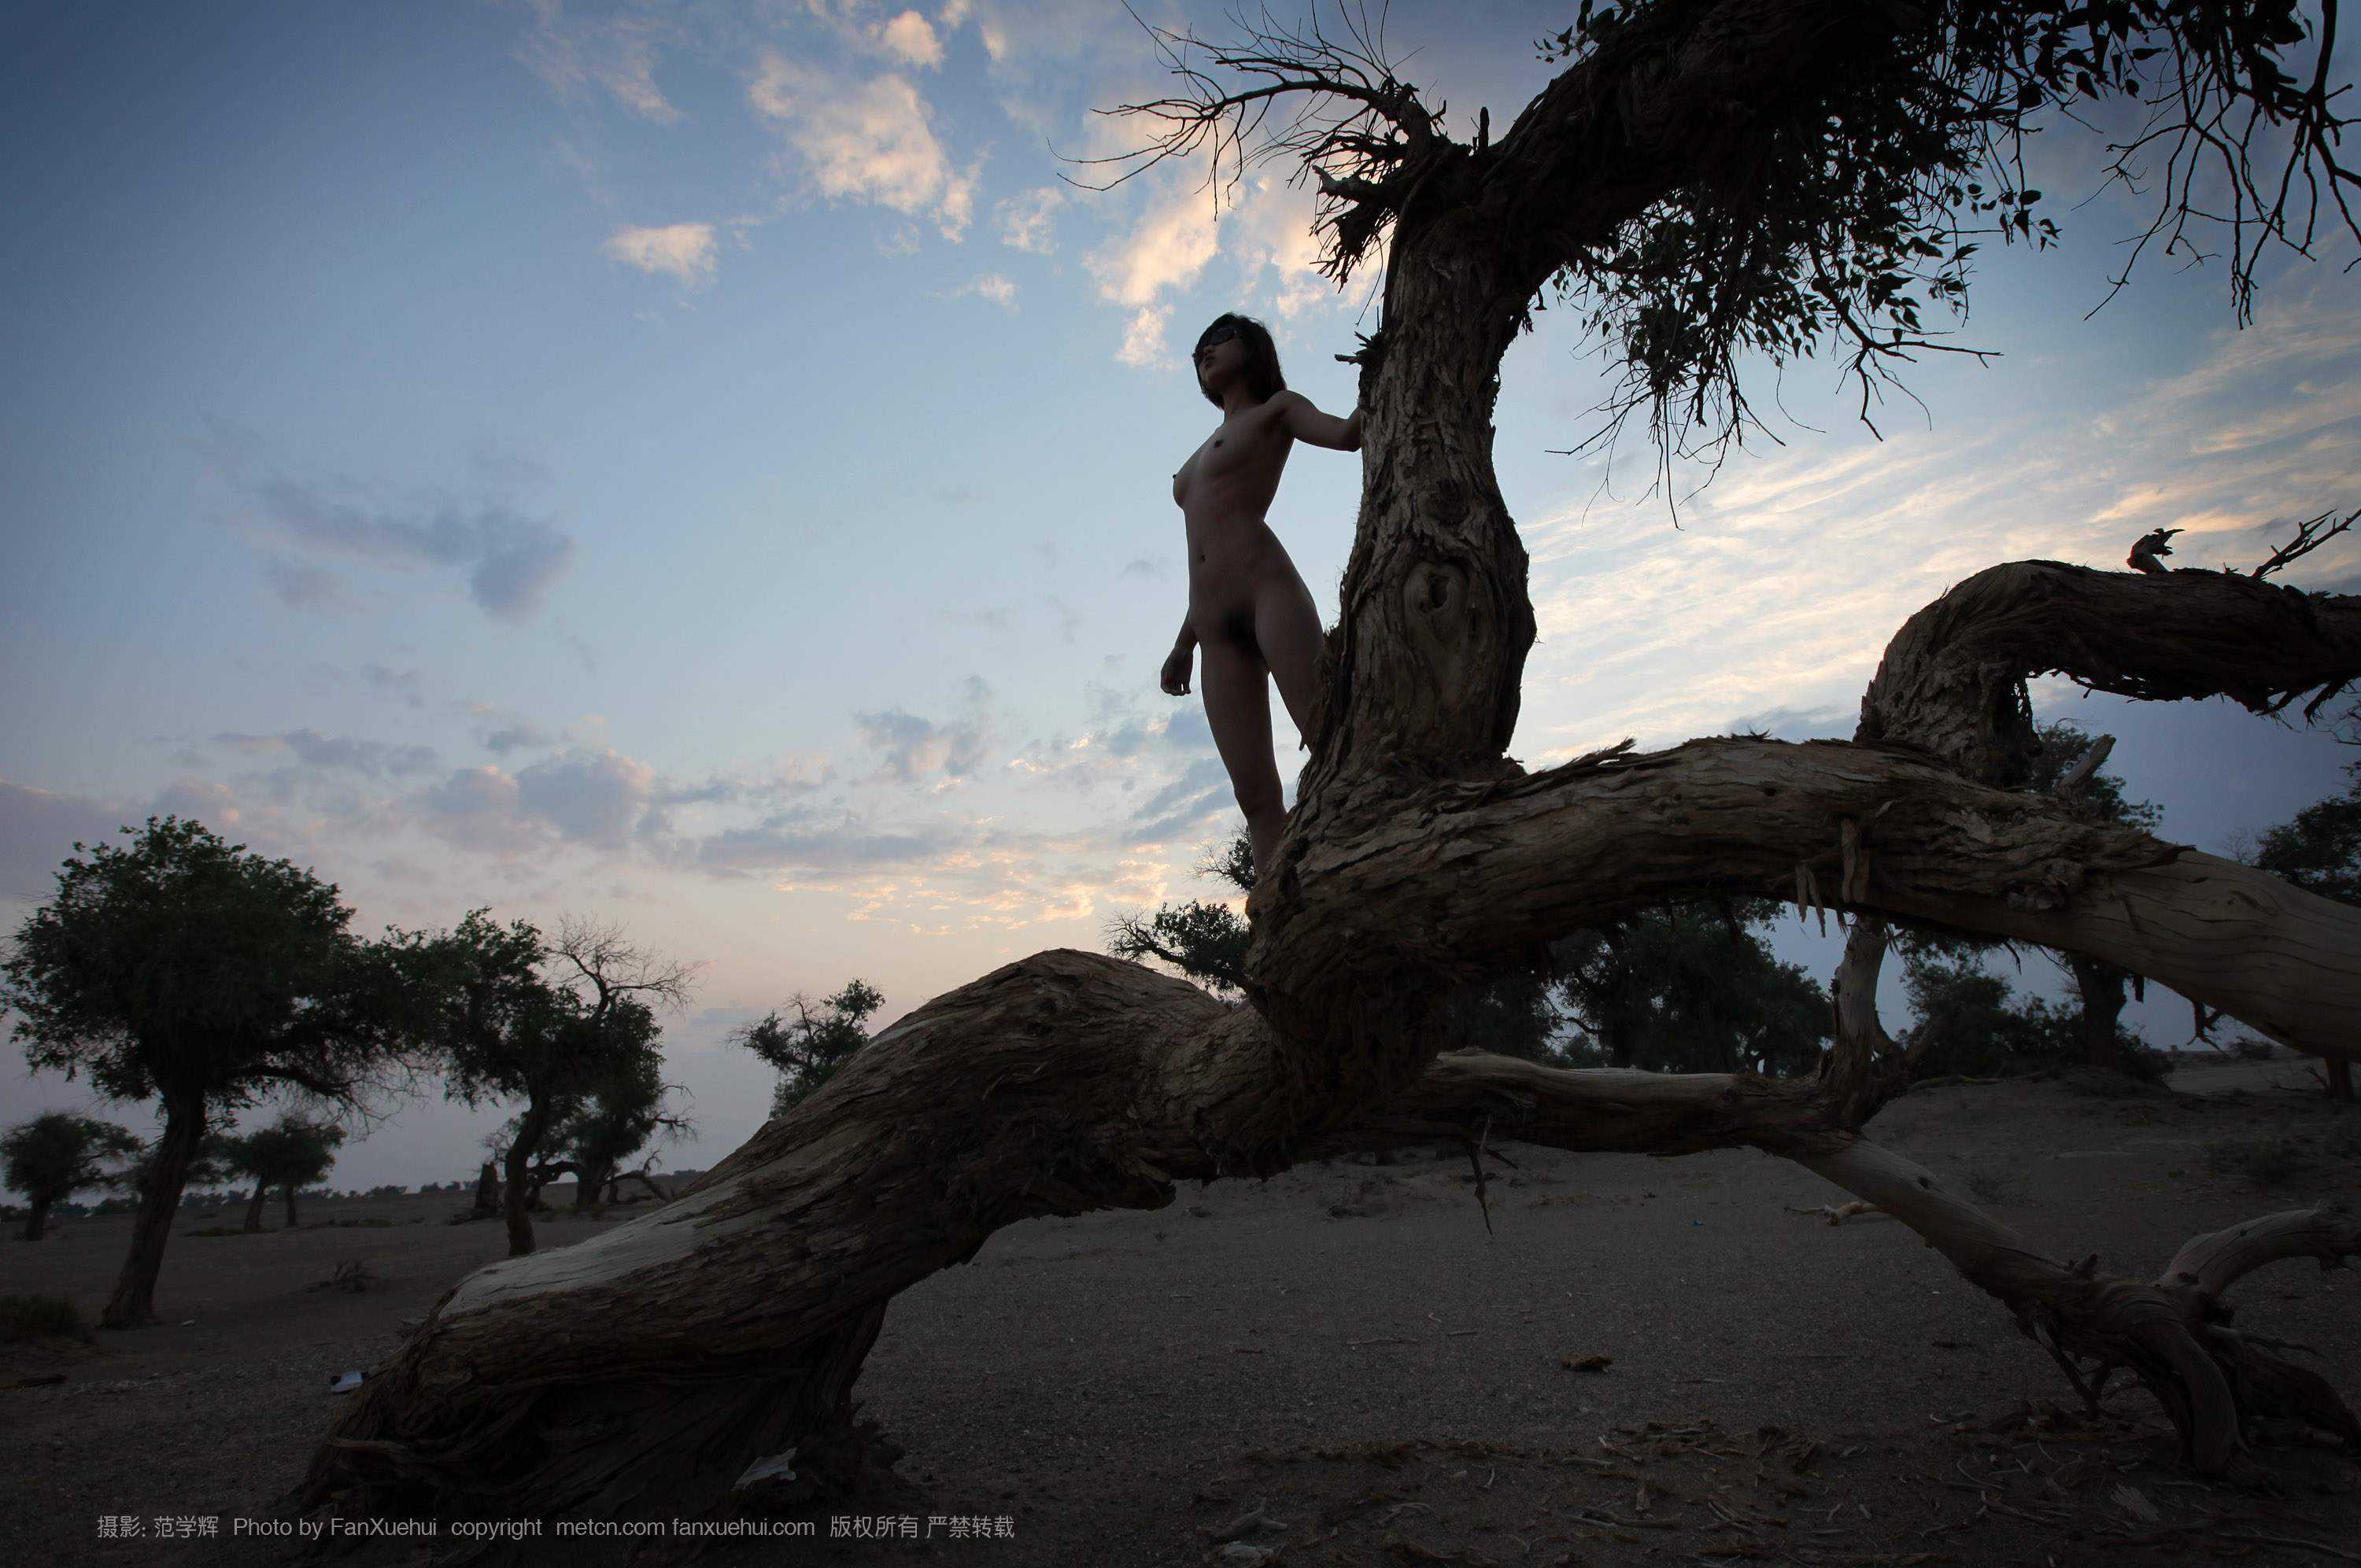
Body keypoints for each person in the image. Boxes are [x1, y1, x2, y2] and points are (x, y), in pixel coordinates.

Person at [1159, 313, 1362, 883]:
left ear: (1251, 348)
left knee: (1329, 734)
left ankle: (1365, 857)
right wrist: (1183, 645)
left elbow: (1347, 435)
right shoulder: (1195, 456)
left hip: (1267, 589)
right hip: (1211, 625)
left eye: (1217, 339)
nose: (1204, 351)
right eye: (1198, 348)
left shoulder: (1277, 410)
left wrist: (1382, 374)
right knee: (1253, 793)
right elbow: (1205, 555)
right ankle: (1276, 905)